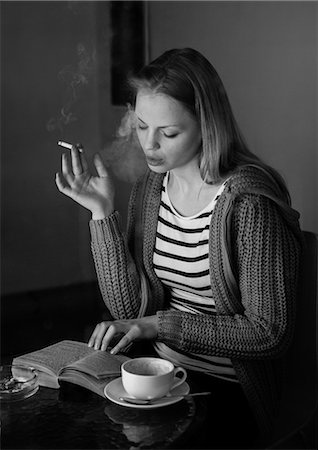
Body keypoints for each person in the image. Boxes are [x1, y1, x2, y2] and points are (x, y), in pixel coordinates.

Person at [55, 48, 302, 448]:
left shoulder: (249, 204)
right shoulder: (151, 189)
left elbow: (269, 333)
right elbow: (127, 310)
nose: (149, 145)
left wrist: (158, 325)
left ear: (207, 125)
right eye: (140, 126)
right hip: (154, 372)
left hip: (225, 390)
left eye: (168, 133)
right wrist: (101, 213)